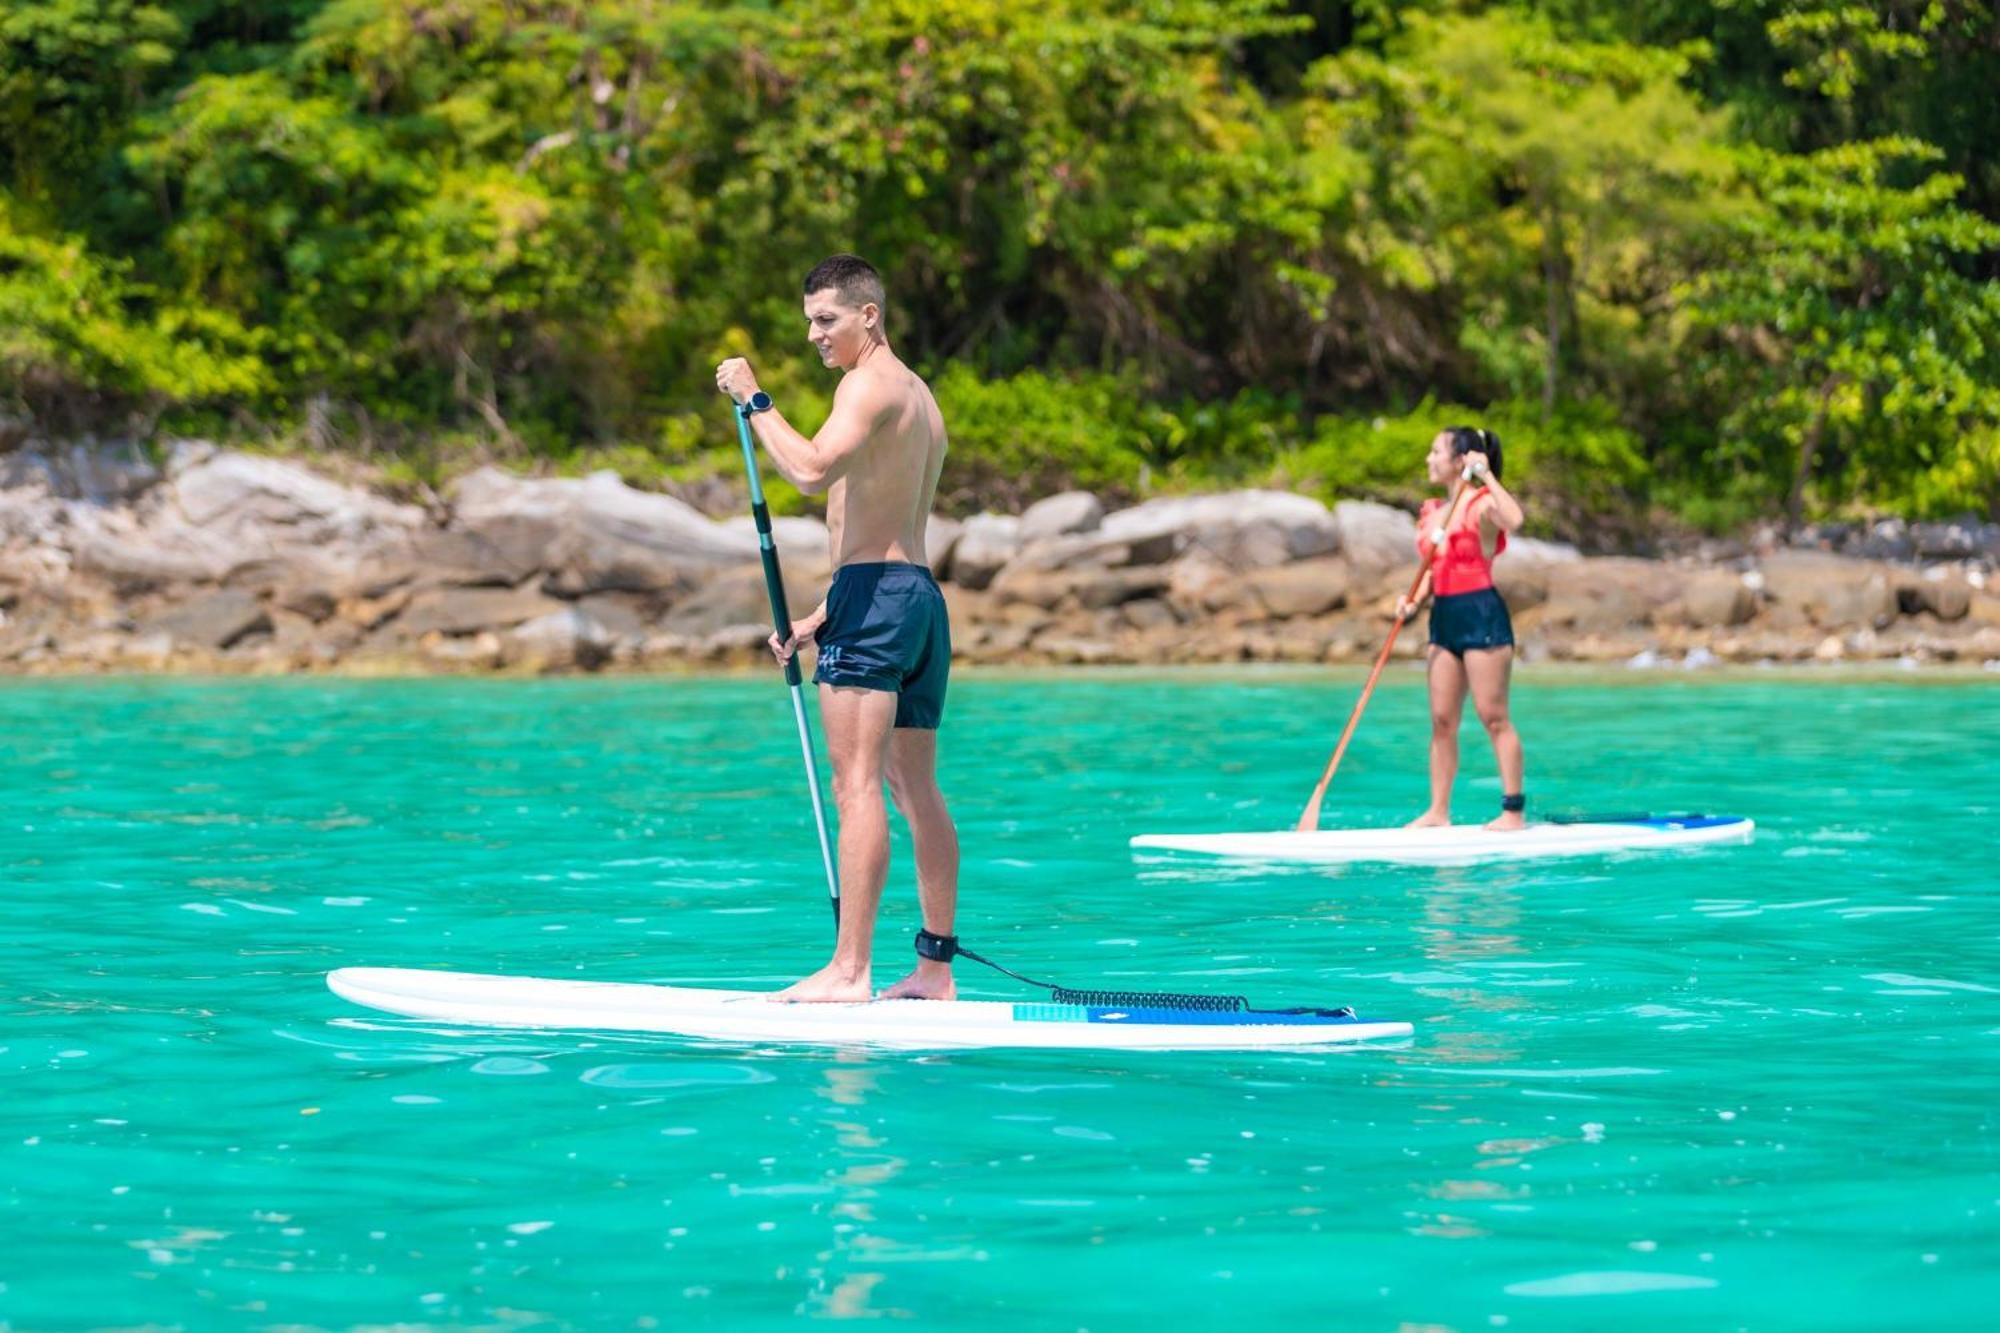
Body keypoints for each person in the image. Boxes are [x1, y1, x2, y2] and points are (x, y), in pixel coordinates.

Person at [714, 254, 960, 1002]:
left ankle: (849, 971)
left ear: (868, 316)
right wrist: (825, 615)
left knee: (857, 787)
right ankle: (934, 970)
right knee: (914, 785)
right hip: (915, 598)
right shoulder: (919, 396)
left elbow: (813, 469)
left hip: (876, 596)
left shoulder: (868, 384)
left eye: (827, 320)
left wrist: (756, 399)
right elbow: (883, 520)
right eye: (809, 322)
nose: (816, 335)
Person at [1396, 426, 1529, 831]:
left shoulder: (1482, 506)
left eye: (1435, 451)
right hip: (1445, 616)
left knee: (1493, 716)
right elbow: (1435, 569)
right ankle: (1438, 811)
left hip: (1481, 614)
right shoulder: (1434, 511)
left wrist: (1486, 475)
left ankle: (1512, 812)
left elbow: (1516, 519)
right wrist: (1413, 599)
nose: (1428, 459)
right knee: (1441, 719)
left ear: (1459, 460)